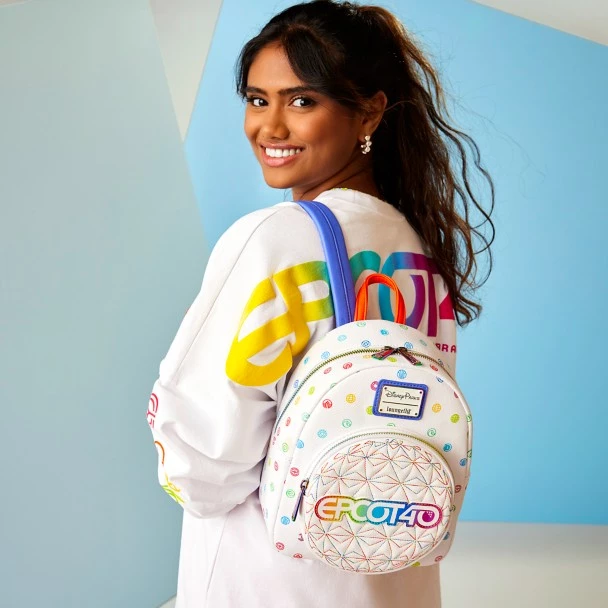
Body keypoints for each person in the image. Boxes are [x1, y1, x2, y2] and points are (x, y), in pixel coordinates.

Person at [147, 1, 494, 606]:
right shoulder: (417, 248)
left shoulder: (273, 241)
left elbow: (204, 465)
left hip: (271, 584)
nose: (271, 127)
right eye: (258, 100)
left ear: (370, 112)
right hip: (393, 578)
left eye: (302, 101)